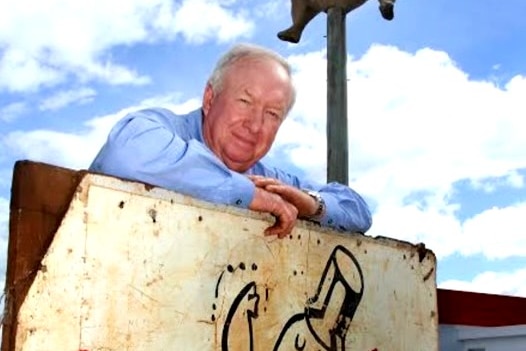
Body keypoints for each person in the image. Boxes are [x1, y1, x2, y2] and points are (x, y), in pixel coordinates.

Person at [90, 43, 372, 238]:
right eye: (245, 101)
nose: (254, 124)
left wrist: (312, 205)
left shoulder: (269, 179)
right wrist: (249, 195)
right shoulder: (161, 131)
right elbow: (127, 154)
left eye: (272, 114)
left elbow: (356, 209)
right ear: (210, 98)